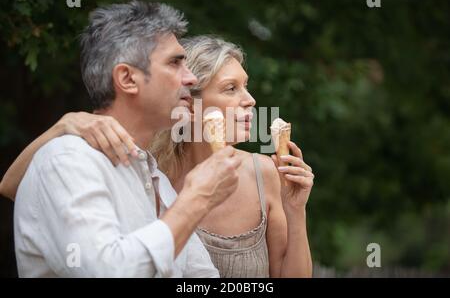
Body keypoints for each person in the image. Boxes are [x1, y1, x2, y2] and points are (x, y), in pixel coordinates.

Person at [2, 35, 314, 277]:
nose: (250, 100)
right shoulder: (147, 169)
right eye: (231, 89)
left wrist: (295, 210)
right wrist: (62, 126)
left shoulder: (265, 173)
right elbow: (13, 186)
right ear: (189, 103)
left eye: (246, 86)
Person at [7, 1, 242, 277]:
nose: (191, 79)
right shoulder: (68, 160)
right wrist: (197, 199)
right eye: (175, 63)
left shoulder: (155, 178)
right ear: (127, 78)